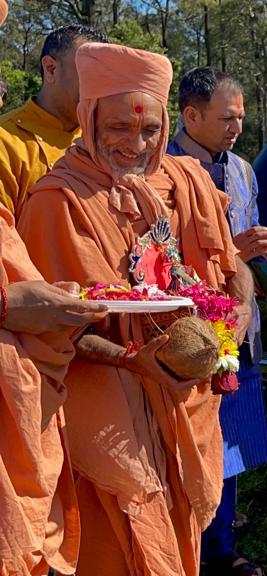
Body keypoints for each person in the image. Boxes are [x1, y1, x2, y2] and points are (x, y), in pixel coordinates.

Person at [16, 43, 253, 576]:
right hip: (105, 412)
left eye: (149, 130)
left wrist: (236, 312)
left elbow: (229, 260)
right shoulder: (58, 200)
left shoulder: (187, 181)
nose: (136, 144)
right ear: (88, 118)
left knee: (180, 540)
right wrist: (130, 359)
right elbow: (48, 327)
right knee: (115, 549)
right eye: (119, 127)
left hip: (185, 401)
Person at [0, 5, 111, 575]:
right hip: (32, 350)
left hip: (101, 344)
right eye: (84, 72)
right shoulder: (9, 142)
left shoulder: (105, 146)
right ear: (49, 68)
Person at [167, 66, 267, 576]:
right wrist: (230, 251)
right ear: (191, 116)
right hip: (188, 329)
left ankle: (219, 546)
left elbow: (243, 242)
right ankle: (187, 545)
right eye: (226, 118)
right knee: (189, 441)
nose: (237, 128)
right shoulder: (162, 169)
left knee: (230, 441)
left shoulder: (242, 170)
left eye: (240, 117)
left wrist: (263, 246)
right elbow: (158, 256)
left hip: (237, 324)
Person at [0, 24, 107, 217]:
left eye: (105, 76)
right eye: (90, 73)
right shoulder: (5, 143)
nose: (100, 87)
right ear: (51, 69)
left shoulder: (104, 140)